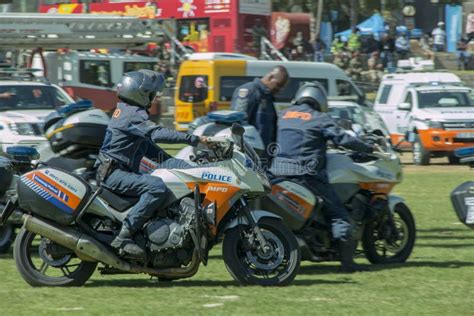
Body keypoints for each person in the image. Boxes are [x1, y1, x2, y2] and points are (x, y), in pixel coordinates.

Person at [98, 70, 212, 257]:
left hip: (117, 172)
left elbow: (158, 156)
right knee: (156, 187)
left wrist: (193, 170)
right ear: (140, 93)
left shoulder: (128, 113)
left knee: (165, 181)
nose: (155, 98)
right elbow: (158, 134)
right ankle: (124, 236)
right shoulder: (132, 114)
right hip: (114, 174)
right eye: (152, 94)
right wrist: (195, 139)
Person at [269, 82, 376, 273]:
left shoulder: (283, 115)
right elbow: (343, 139)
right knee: (338, 214)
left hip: (277, 173)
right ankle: (347, 263)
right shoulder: (319, 118)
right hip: (306, 175)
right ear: (320, 101)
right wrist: (367, 147)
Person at [231, 66, 289, 162]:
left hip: (261, 159)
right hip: (247, 158)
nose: (280, 89)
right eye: (279, 85)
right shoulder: (249, 91)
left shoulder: (267, 98)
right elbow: (237, 125)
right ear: (271, 77)